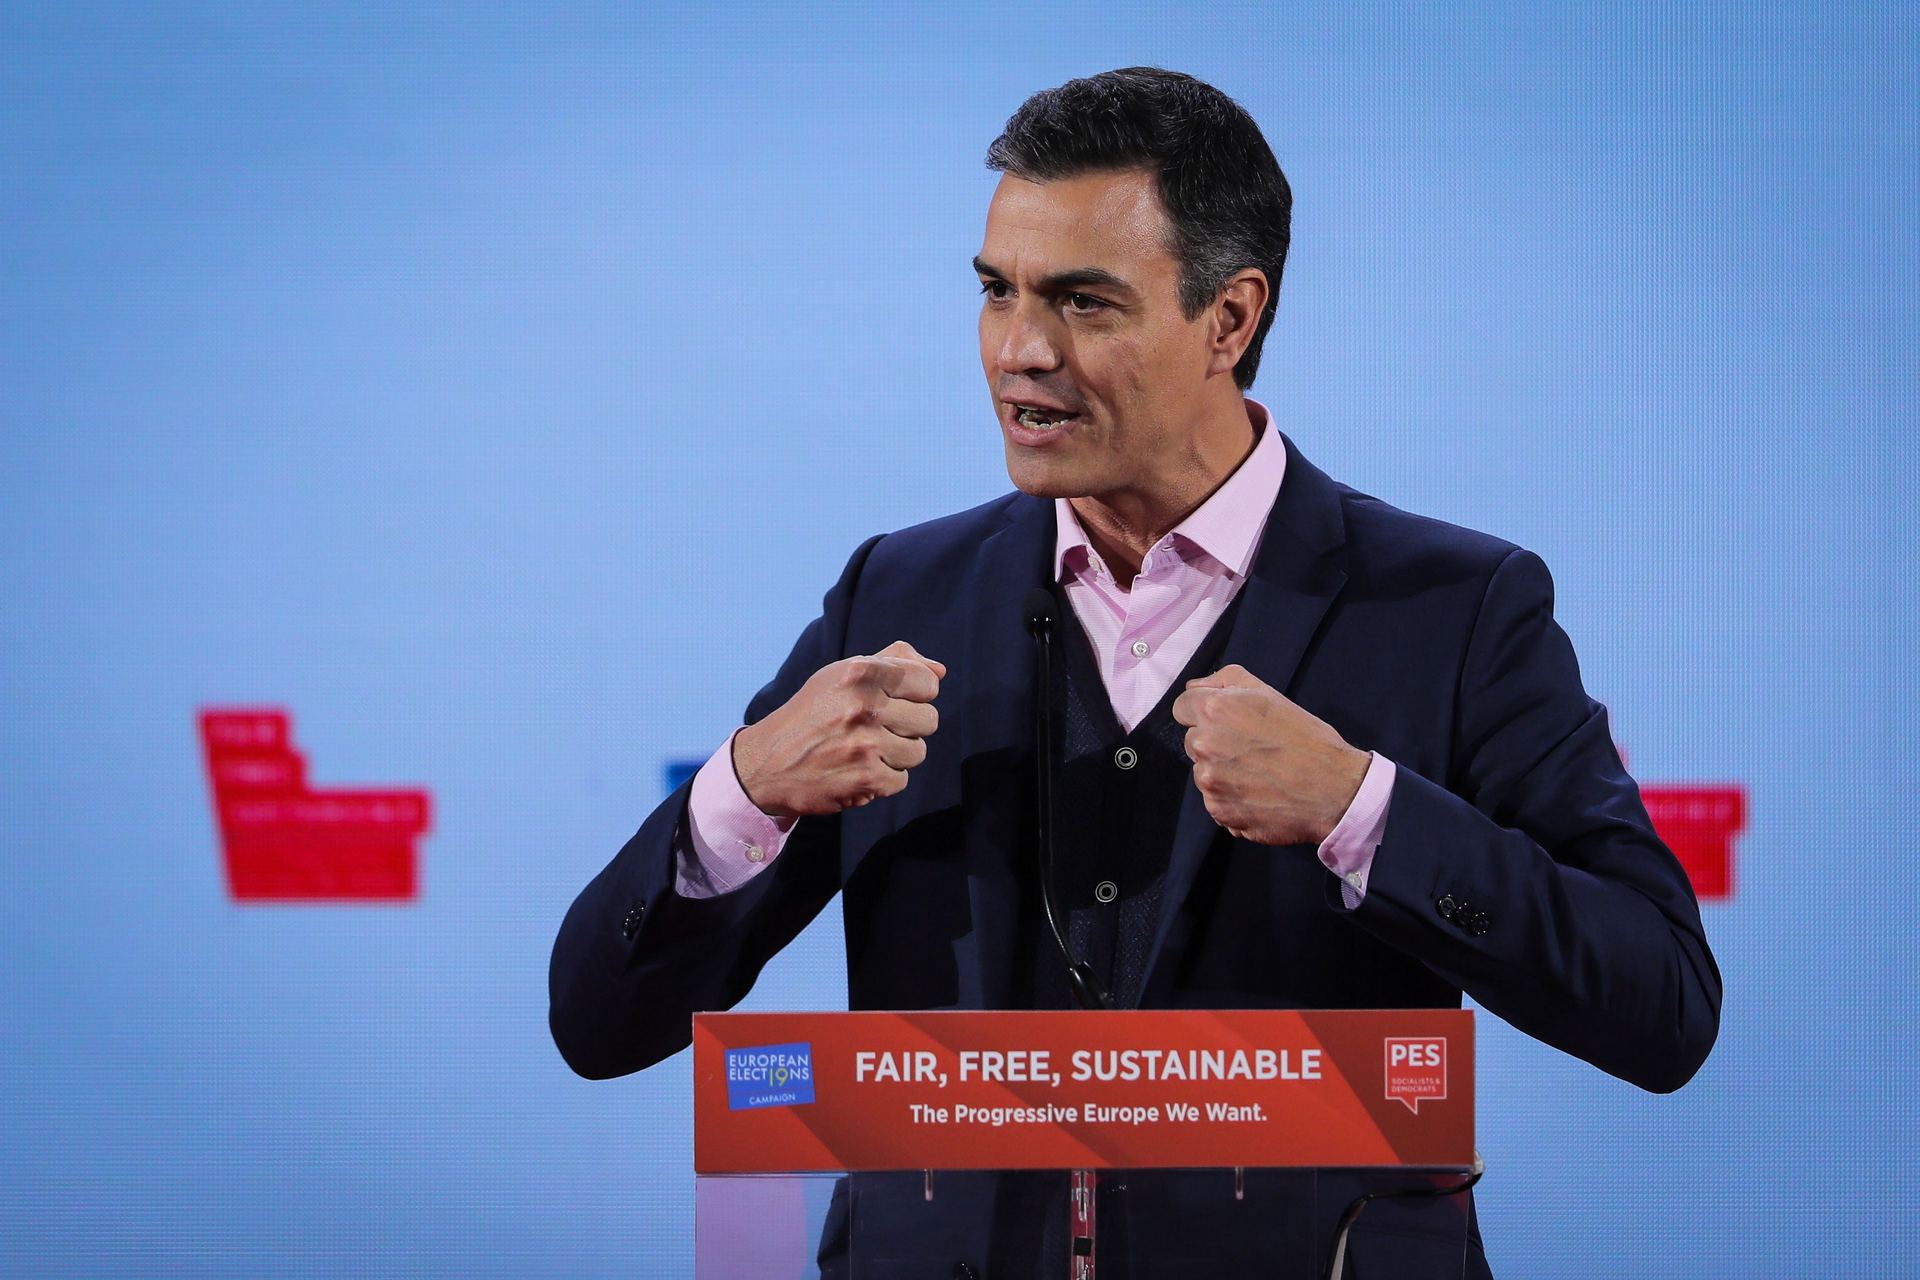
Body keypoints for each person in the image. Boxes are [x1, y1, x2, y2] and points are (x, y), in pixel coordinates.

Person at [549, 67, 1720, 1278]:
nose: (1021, 351)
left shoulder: (1453, 607)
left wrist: (1364, 810)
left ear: (1230, 318)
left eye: (1085, 303)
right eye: (996, 291)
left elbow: (1664, 1005)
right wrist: (743, 791)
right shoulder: (895, 595)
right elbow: (596, 1019)